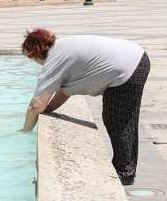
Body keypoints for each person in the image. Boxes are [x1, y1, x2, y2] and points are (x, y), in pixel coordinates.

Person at [20, 28, 151, 186]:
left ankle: (125, 172)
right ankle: (125, 168)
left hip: (127, 68)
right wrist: (48, 110)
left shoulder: (54, 59)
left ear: (34, 52)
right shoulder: (62, 48)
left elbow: (36, 105)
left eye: (30, 57)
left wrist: (25, 130)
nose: (33, 61)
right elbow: (64, 92)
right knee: (124, 120)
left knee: (117, 121)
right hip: (136, 56)